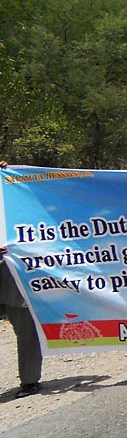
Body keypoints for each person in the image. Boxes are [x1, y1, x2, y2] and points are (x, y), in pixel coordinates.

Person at [0, 162, 42, 398]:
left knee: (25, 326)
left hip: (9, 271)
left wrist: (8, 175)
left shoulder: (8, 188)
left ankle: (29, 380)